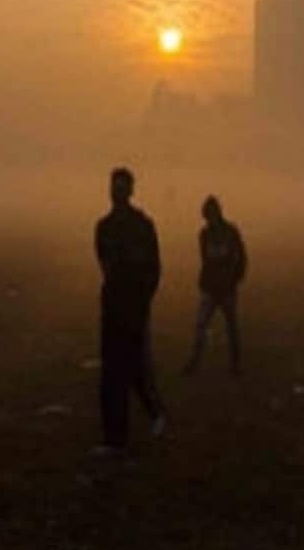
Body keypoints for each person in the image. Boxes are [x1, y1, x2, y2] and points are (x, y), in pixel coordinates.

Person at [95, 166, 167, 449]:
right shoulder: (104, 227)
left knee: (131, 367)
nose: (117, 193)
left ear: (130, 191)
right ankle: (116, 435)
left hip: (132, 307)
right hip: (113, 307)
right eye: (114, 187)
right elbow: (105, 266)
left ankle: (147, 417)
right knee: (114, 372)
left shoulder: (142, 226)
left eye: (122, 188)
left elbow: (153, 269)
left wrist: (141, 302)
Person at [183, 195, 248, 376]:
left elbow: (239, 257)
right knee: (214, 325)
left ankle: (229, 364)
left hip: (222, 287)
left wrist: (235, 278)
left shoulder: (223, 233)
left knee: (222, 326)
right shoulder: (208, 234)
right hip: (215, 287)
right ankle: (229, 364)